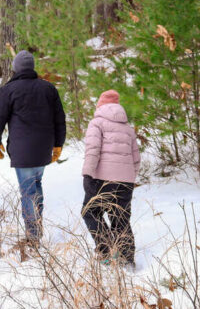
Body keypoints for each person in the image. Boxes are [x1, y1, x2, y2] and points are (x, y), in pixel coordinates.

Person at [0, 50, 66, 245]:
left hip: (23, 152)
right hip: (43, 150)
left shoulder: (9, 90)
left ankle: (33, 236)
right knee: (35, 186)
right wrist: (58, 145)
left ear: (15, 69)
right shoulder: (48, 89)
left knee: (29, 192)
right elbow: (60, 120)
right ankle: (36, 228)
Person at [81, 90, 140, 268]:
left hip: (102, 179)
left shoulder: (96, 123)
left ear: (100, 105)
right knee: (120, 218)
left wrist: (87, 174)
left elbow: (93, 150)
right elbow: (136, 158)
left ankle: (106, 251)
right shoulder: (128, 129)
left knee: (90, 212)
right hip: (125, 181)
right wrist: (129, 177)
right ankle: (127, 259)